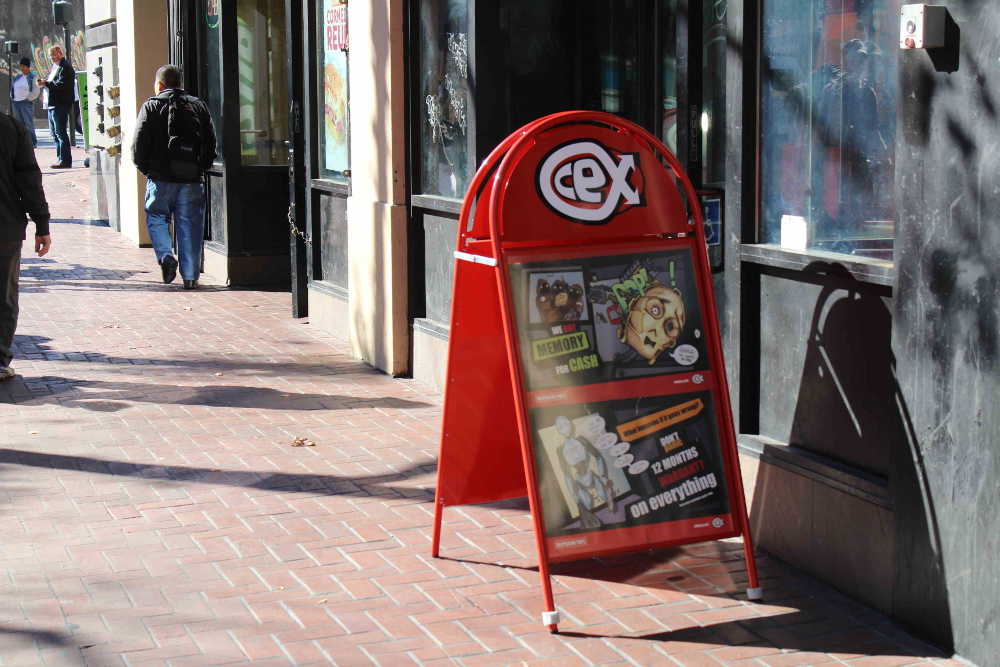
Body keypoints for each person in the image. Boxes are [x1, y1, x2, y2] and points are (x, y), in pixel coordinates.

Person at [132, 64, 217, 290]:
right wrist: (200, 168)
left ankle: (166, 256)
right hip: (191, 179)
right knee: (190, 225)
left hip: (160, 178)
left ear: (159, 85)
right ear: (180, 84)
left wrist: (147, 170)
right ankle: (190, 277)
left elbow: (138, 145)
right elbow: (211, 143)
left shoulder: (151, 106)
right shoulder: (198, 106)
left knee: (157, 216)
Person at [0, 112, 51, 380]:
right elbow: (29, 179)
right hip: (5, 226)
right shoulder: (11, 127)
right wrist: (42, 223)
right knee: (4, 295)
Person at [37, 45, 75, 169]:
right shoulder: (56, 67)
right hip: (52, 105)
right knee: (55, 133)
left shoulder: (65, 67)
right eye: (50, 55)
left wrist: (46, 83)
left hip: (60, 104)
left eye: (54, 54)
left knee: (60, 132)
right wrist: (45, 83)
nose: (52, 57)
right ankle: (60, 158)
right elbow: (52, 83)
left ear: (60, 53)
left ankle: (65, 160)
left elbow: (61, 85)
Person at [10, 57, 40, 148]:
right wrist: (12, 96)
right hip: (16, 103)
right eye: (21, 66)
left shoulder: (33, 77)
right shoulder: (18, 77)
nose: (22, 68)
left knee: (28, 123)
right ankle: (22, 143)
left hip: (26, 103)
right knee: (19, 124)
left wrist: (29, 98)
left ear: (28, 67)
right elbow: (13, 88)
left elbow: (36, 90)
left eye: (24, 66)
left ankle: (32, 142)